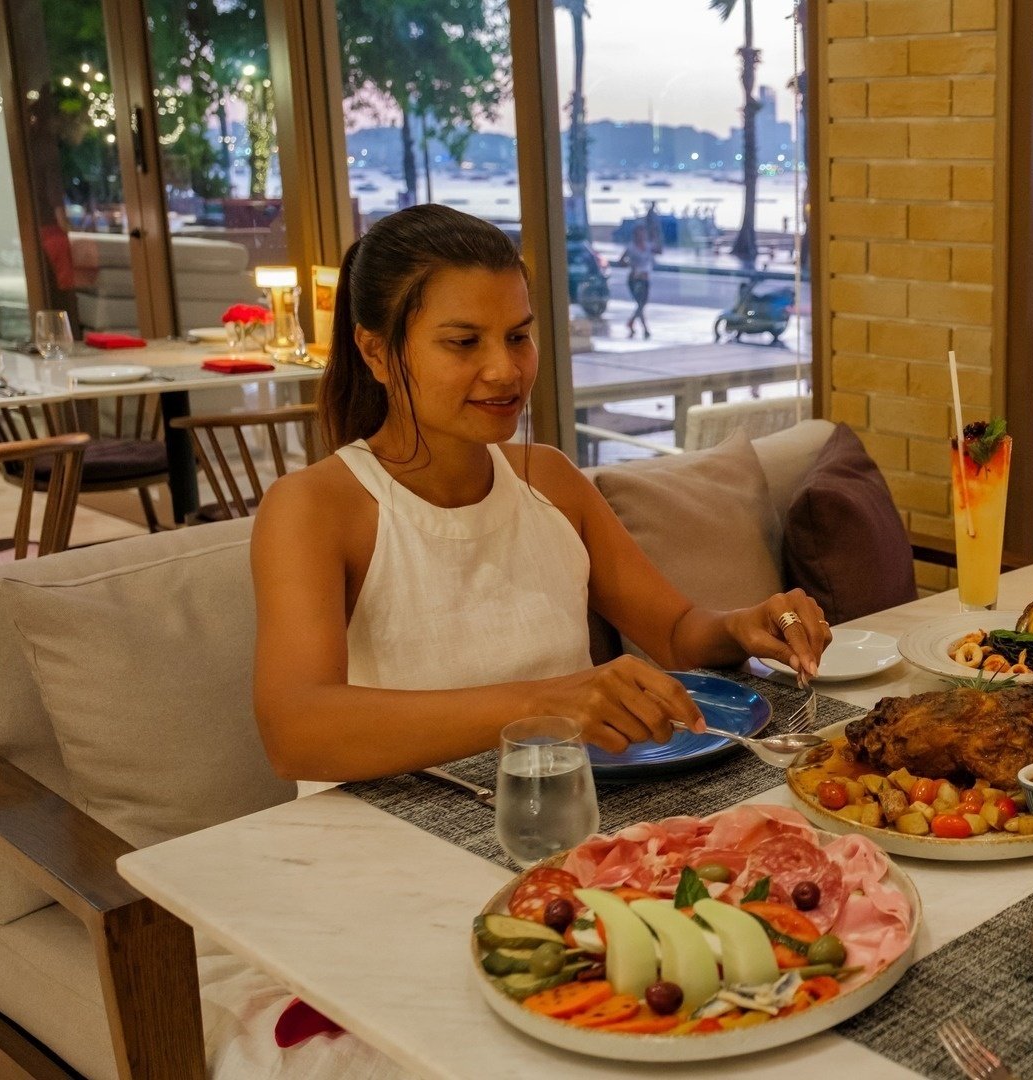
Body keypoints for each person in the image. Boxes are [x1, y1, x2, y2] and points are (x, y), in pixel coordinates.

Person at [229, 203, 830, 1076]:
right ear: (373, 351)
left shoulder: (548, 477)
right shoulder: (317, 508)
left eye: (519, 335)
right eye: (462, 342)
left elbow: (670, 627)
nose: (504, 370)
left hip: (566, 841)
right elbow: (296, 724)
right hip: (388, 861)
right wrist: (545, 705)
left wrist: (740, 624)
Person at [623, 227, 654, 339]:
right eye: (639, 234)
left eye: (643, 234)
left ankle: (631, 322)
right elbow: (621, 261)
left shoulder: (648, 247)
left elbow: (658, 251)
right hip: (635, 279)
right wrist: (632, 266)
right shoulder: (631, 248)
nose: (641, 237)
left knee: (642, 304)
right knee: (640, 303)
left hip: (645, 278)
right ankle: (645, 329)